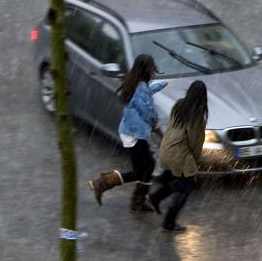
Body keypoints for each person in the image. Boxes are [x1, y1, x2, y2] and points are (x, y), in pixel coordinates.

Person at [88, 54, 168, 211]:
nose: (153, 72)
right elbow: (148, 110)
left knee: (149, 165)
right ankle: (102, 183)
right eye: (152, 69)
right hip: (134, 133)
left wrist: (163, 84)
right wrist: (156, 122)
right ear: (146, 70)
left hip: (131, 131)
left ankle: (138, 202)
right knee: (141, 171)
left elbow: (144, 93)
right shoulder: (140, 88)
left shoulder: (133, 82)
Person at [144, 80, 208, 232]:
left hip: (167, 149)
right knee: (186, 187)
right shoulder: (197, 116)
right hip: (181, 155)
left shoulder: (179, 105)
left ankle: (155, 198)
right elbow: (195, 141)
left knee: (178, 181)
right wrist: (196, 159)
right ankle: (169, 222)